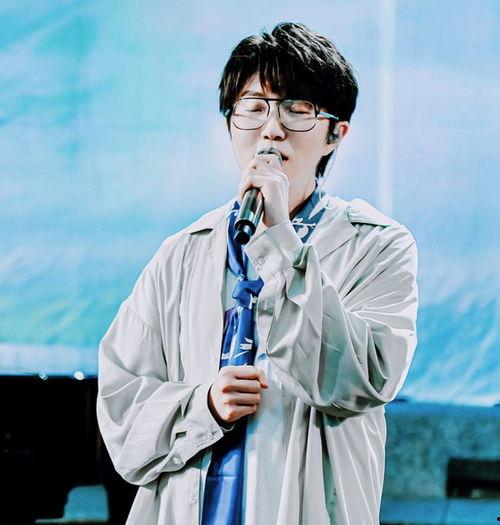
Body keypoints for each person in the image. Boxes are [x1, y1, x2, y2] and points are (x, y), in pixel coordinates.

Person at [96, 21, 419, 525]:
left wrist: (279, 240)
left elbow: (364, 378)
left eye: (297, 109)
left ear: (335, 134)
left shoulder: (377, 245)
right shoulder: (181, 253)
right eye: (253, 107)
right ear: (230, 123)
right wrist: (203, 405)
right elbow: (121, 408)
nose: (272, 128)